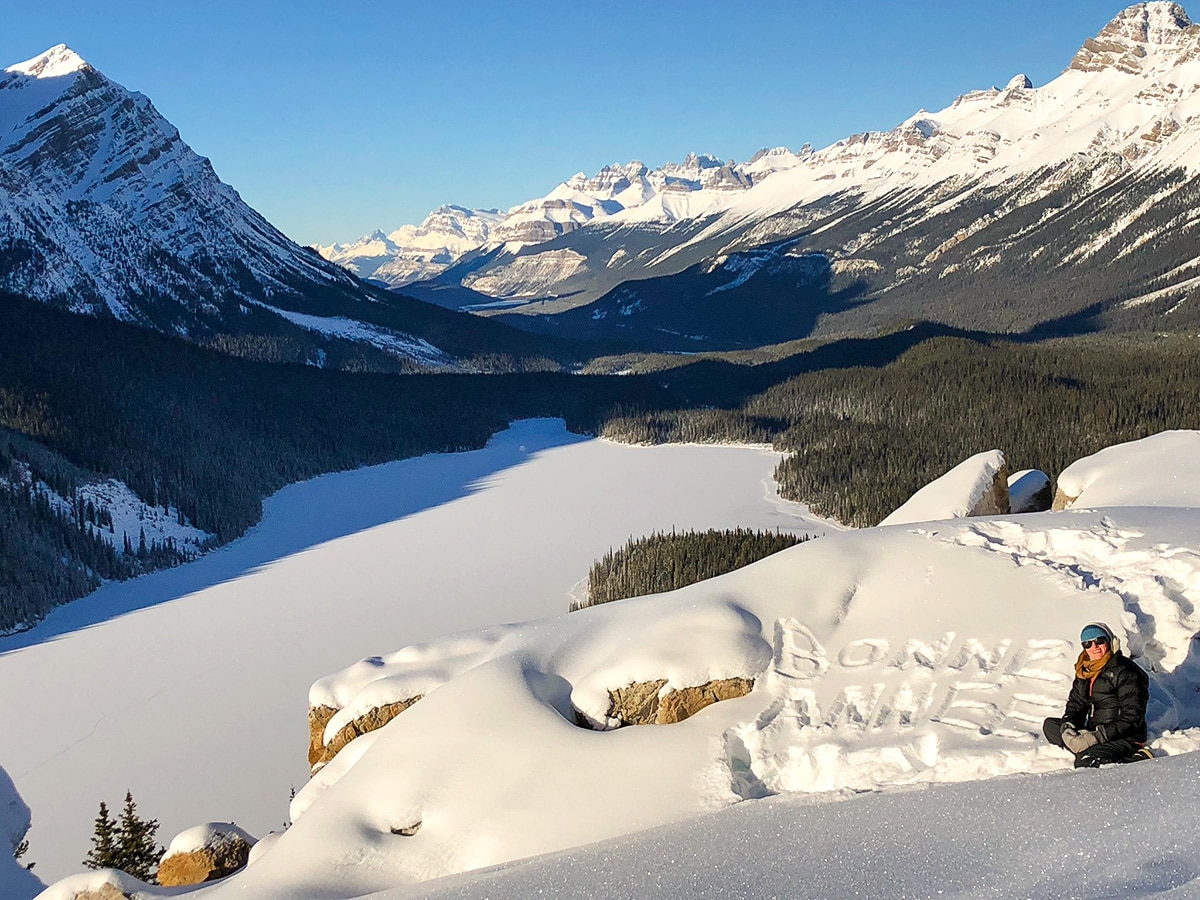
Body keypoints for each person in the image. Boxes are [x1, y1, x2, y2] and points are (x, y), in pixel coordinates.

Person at [1043, 622, 1152, 768]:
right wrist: (1068, 727)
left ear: (1109, 641)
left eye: (1099, 641)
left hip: (1123, 736)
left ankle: (1138, 758)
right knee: (1051, 726)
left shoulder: (1126, 671)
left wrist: (1096, 737)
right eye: (1087, 644)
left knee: (1086, 762)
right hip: (1093, 729)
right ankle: (1087, 747)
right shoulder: (1084, 671)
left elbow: (1133, 718)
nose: (1094, 647)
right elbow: (1076, 704)